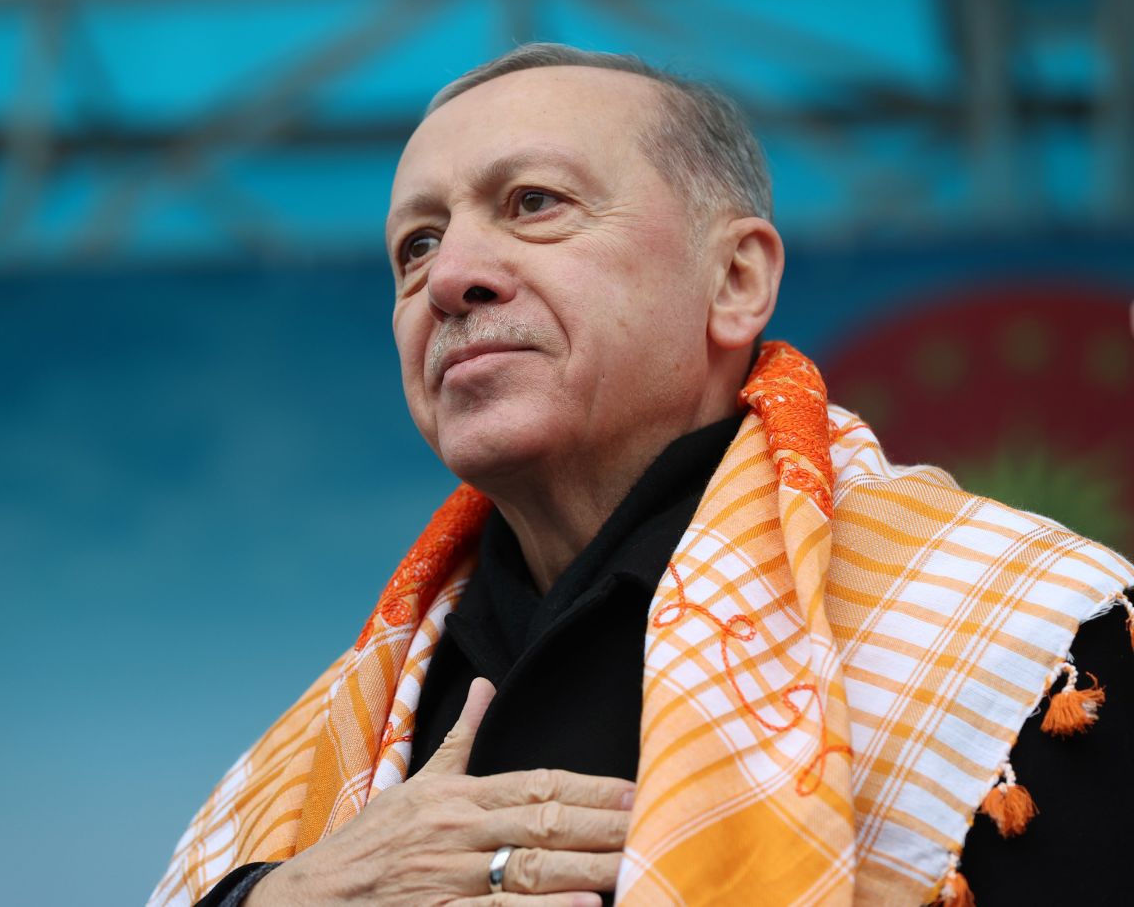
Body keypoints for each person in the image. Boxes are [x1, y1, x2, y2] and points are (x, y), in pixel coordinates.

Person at [148, 45, 1134, 907]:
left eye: (532, 203)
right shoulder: (322, 745)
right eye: (416, 246)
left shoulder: (1024, 642)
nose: (449, 278)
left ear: (735, 279)